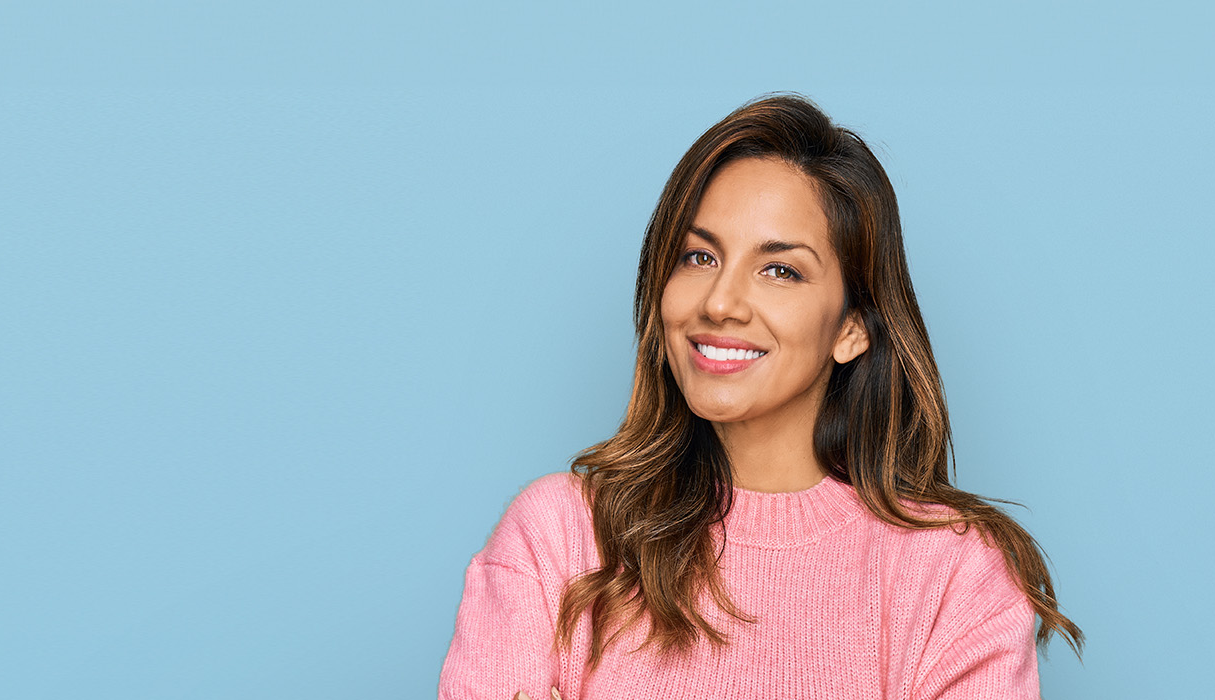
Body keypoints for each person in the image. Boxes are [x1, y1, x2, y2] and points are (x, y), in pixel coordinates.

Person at [437, 93, 1083, 700]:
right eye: (697, 257)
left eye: (780, 270)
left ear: (852, 328)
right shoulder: (558, 541)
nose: (720, 302)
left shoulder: (956, 577)